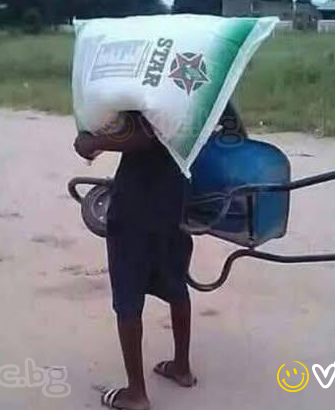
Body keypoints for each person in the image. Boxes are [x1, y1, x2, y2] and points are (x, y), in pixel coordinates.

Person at [74, 103, 246, 410]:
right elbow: (235, 131)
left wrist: (94, 143)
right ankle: (181, 367)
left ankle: (136, 394)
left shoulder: (151, 87)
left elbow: (143, 136)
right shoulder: (200, 85)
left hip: (135, 203)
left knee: (128, 295)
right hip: (176, 193)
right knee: (175, 280)